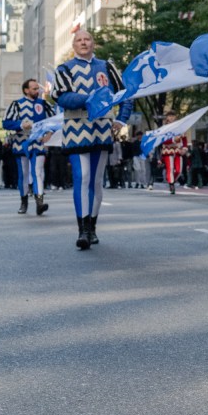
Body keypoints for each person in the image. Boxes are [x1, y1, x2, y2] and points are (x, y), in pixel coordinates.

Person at [54, 28, 133, 250]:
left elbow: (126, 95)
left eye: (87, 39)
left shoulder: (107, 67)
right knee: (83, 176)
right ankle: (83, 230)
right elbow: (62, 97)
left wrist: (121, 120)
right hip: (76, 128)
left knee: (96, 180)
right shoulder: (65, 69)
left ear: (93, 43)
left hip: (102, 129)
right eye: (79, 40)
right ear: (73, 45)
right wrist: (90, 98)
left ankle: (92, 226)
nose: (83, 42)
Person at [2, 79, 55, 215]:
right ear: (26, 90)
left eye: (38, 88)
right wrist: (20, 125)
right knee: (24, 173)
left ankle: (39, 202)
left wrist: (49, 134)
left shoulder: (44, 104)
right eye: (34, 88)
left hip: (38, 142)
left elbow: (54, 121)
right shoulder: (16, 105)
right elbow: (6, 123)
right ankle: (24, 201)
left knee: (38, 172)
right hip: (21, 142)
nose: (37, 91)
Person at [159, 112, 189, 195]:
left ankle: (171, 180)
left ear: (175, 117)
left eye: (173, 116)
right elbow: (162, 140)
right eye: (169, 116)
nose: (171, 118)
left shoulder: (180, 127)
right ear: (167, 118)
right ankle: (171, 184)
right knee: (170, 168)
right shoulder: (164, 128)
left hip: (178, 150)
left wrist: (185, 149)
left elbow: (184, 140)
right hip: (168, 150)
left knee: (179, 170)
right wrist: (173, 140)